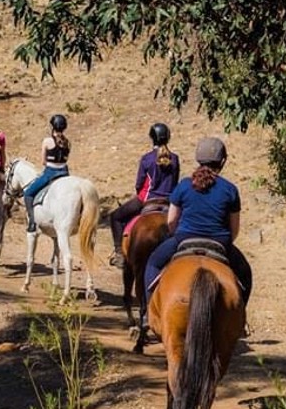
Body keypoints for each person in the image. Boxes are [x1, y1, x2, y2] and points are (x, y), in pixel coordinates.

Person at [143, 137, 253, 320]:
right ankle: (240, 319)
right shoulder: (230, 190)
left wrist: (175, 235)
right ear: (223, 161)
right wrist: (223, 242)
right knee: (245, 273)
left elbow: (171, 221)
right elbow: (234, 229)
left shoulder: (184, 185)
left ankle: (148, 315)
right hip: (220, 242)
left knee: (153, 263)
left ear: (197, 159)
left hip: (184, 239)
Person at [108, 122, 180, 267]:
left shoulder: (147, 159)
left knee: (115, 217)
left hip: (147, 199)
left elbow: (139, 184)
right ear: (168, 138)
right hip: (169, 202)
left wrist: (140, 194)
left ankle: (119, 254)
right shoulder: (175, 158)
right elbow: (175, 181)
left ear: (152, 138)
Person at [22, 114, 71, 233]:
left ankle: (32, 222)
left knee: (28, 193)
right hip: (64, 173)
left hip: (51, 173)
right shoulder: (68, 142)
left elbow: (43, 161)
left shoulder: (47, 141)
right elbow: (66, 159)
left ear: (52, 127)